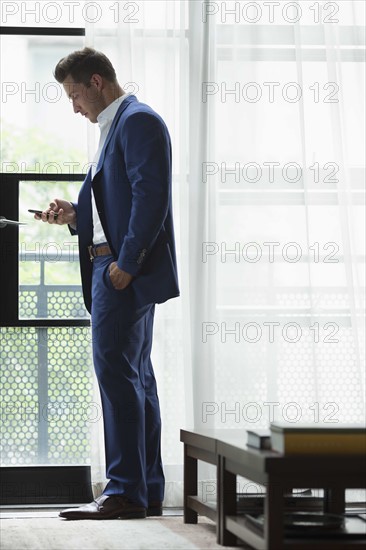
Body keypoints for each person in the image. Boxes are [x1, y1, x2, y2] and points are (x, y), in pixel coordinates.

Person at [36, 47, 179, 520]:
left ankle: (122, 492)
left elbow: (151, 198)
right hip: (110, 263)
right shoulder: (114, 126)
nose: (74, 106)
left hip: (119, 271)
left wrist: (128, 265)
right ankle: (145, 490)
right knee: (135, 380)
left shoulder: (137, 121)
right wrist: (76, 218)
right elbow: (116, 204)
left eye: (75, 95)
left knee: (118, 378)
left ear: (97, 82)